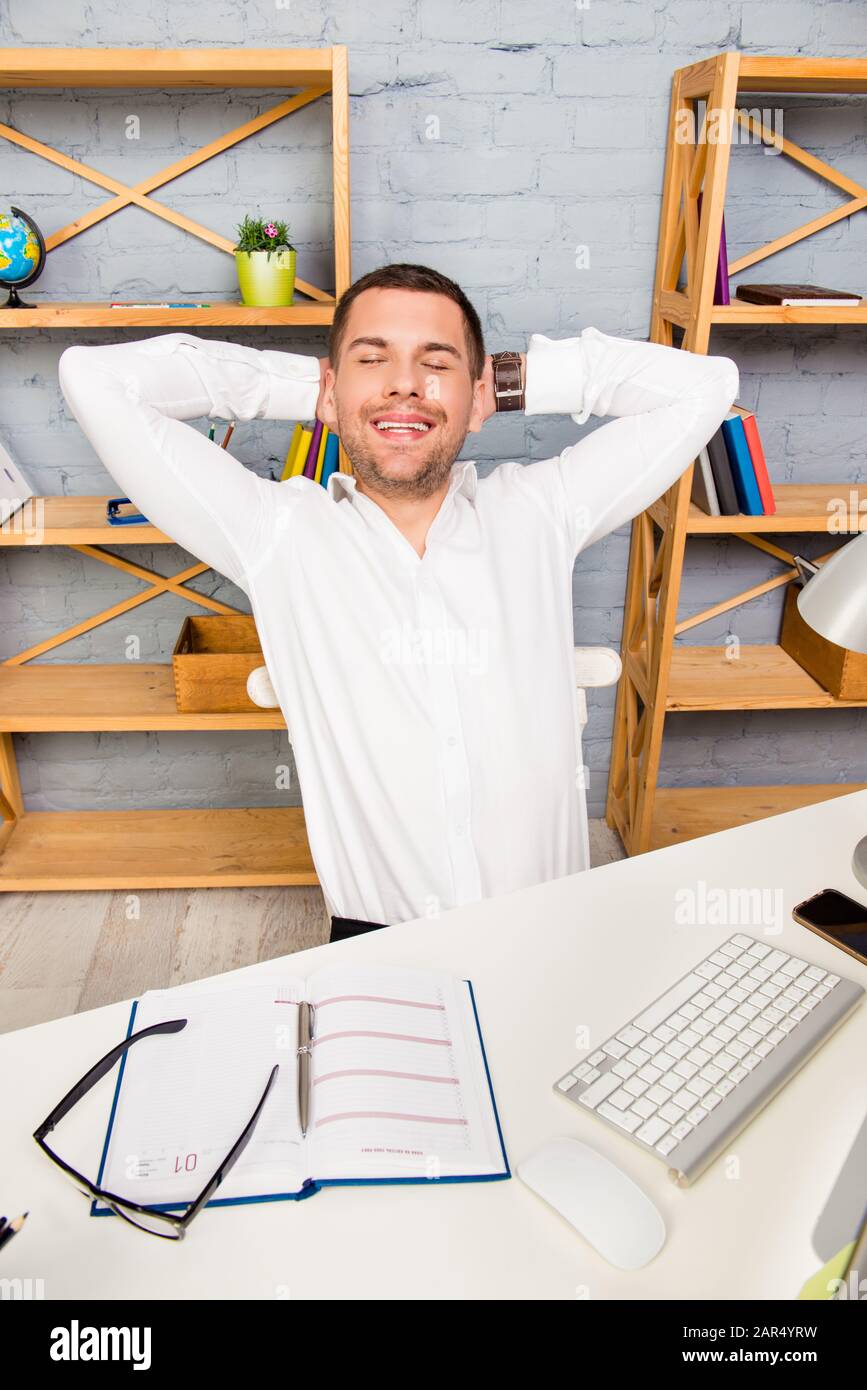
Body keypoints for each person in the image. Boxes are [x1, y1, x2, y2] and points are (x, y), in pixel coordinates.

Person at [58, 262, 738, 939]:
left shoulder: (540, 511)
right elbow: (94, 381)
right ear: (326, 390)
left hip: (553, 931)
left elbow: (705, 386)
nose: (405, 382)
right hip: (374, 945)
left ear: (478, 399)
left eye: (433, 363)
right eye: (373, 358)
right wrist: (337, 392)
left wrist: (494, 382)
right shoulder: (277, 533)